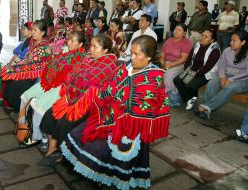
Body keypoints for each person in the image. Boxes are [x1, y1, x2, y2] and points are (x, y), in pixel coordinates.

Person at [60, 35, 170, 190]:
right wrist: (102, 98)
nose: (132, 57)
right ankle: (98, 174)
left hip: (131, 127)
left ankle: (106, 176)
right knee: (79, 132)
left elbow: (143, 109)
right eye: (131, 52)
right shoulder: (126, 67)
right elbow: (111, 85)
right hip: (112, 116)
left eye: (136, 54)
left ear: (149, 57)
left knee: (104, 147)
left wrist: (117, 110)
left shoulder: (153, 77)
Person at [37, 34, 118, 166]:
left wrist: (76, 85)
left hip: (91, 105)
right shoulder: (89, 59)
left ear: (105, 51)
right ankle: (53, 151)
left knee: (64, 122)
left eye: (94, 46)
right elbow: (73, 75)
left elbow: (90, 85)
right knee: (50, 114)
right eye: (90, 45)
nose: (90, 49)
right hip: (73, 98)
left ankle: (60, 154)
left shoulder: (108, 66)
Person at [18, 31, 86, 148]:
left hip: (60, 87)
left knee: (39, 107)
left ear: (80, 44)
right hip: (48, 82)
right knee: (25, 96)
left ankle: (37, 137)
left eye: (72, 41)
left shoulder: (80, 59)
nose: (69, 42)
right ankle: (23, 126)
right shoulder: (66, 52)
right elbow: (52, 65)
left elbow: (69, 79)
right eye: (69, 39)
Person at [195, 31, 248, 119]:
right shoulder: (227, 50)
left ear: (243, 42)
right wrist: (223, 76)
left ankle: (205, 107)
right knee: (211, 84)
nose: (231, 42)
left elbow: (246, 73)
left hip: (242, 80)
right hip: (225, 75)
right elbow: (221, 65)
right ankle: (206, 110)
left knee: (230, 88)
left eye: (234, 41)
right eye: (231, 40)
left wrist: (231, 80)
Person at [2, 20, 51, 111]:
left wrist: (18, 69)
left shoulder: (44, 46)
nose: (32, 32)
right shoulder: (31, 42)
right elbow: (24, 56)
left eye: (35, 30)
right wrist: (13, 65)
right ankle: (13, 105)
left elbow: (34, 63)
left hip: (36, 75)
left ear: (43, 32)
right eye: (32, 29)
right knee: (10, 75)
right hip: (28, 69)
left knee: (16, 81)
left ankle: (21, 109)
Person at [174, 29, 221, 110]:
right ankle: (189, 99)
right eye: (202, 35)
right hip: (192, 70)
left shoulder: (215, 50)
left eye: (206, 37)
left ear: (212, 40)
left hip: (205, 73)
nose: (202, 38)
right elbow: (189, 59)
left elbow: (208, 67)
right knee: (177, 80)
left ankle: (191, 98)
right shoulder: (197, 45)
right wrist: (186, 69)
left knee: (191, 85)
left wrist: (195, 74)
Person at [162, 24, 193, 106]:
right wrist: (162, 63)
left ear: (184, 33)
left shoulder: (187, 43)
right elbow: (162, 54)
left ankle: (174, 99)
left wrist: (170, 65)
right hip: (166, 63)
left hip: (180, 64)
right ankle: (161, 95)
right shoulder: (169, 40)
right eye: (175, 29)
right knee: (155, 73)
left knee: (168, 76)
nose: (176, 31)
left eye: (179, 30)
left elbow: (184, 59)